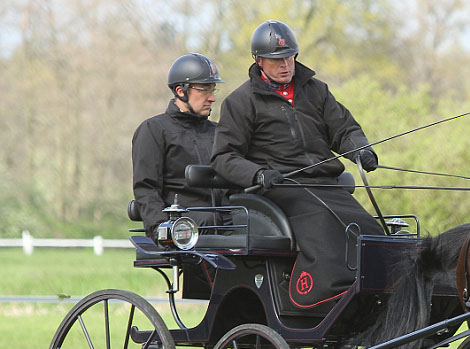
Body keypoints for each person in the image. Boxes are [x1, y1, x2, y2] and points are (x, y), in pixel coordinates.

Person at [211, 20, 383, 311]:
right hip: (277, 187)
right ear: (259, 60)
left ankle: (373, 297)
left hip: (325, 185)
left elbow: (344, 129)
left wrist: (360, 149)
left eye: (289, 57)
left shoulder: (317, 91)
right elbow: (223, 158)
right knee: (326, 225)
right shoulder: (241, 102)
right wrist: (258, 173)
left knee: (369, 230)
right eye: (277, 60)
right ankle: (317, 298)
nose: (285, 65)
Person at [132, 52, 225, 239]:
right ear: (181, 91)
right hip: (184, 226)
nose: (212, 98)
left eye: (212, 90)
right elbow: (146, 188)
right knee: (209, 220)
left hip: (228, 218)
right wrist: (161, 228)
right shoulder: (154, 130)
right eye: (204, 90)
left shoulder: (219, 132)